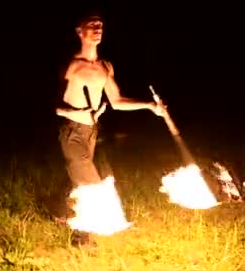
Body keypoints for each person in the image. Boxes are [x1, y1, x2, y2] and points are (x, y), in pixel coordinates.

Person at [56, 12, 166, 190]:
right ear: (79, 31)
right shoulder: (72, 64)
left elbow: (117, 101)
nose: (98, 28)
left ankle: (60, 209)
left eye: (100, 25)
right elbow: (54, 107)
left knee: (81, 176)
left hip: (92, 131)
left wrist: (150, 106)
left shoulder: (105, 66)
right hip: (72, 130)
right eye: (92, 24)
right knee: (90, 182)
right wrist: (77, 113)